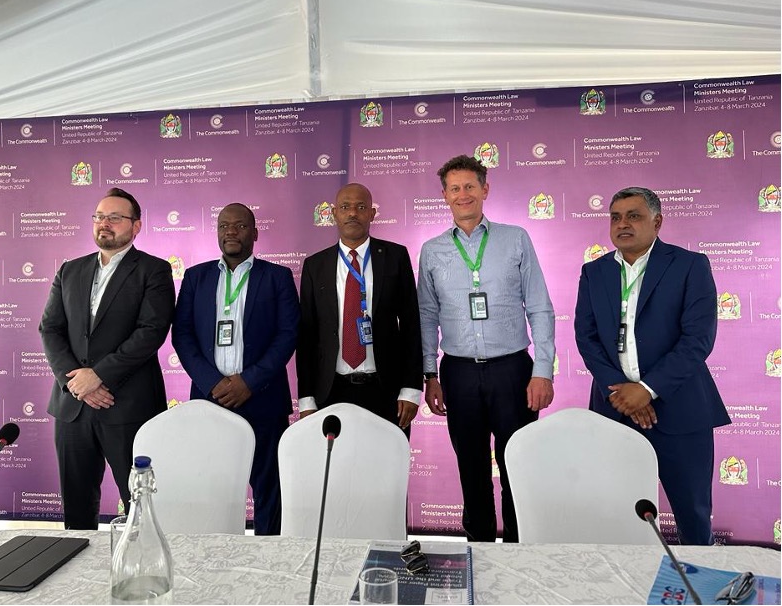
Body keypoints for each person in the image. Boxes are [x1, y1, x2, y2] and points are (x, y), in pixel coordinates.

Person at [574, 186, 730, 545]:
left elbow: (698, 340)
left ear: (657, 222)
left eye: (634, 216)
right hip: (615, 411)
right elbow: (587, 338)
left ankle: (698, 591)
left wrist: (645, 390)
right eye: (615, 217)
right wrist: (620, 390)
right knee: (617, 512)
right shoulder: (593, 272)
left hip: (680, 410)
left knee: (692, 513)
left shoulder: (690, 265)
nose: (622, 224)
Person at [417, 155, 555, 542]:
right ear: (444, 195)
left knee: (517, 464)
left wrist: (542, 370)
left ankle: (518, 548)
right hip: (458, 373)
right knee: (471, 468)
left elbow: (540, 306)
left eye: (470, 187)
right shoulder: (432, 250)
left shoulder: (515, 238)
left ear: (485, 189)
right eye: (455, 188)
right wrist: (430, 374)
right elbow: (427, 316)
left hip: (512, 370)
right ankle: (478, 549)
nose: (463, 195)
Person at [40, 187, 175, 529]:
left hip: (127, 406)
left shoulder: (154, 270)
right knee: (77, 507)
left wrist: (97, 375)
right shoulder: (69, 270)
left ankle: (138, 577)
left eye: (115, 217)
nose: (105, 224)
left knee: (139, 506)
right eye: (99, 217)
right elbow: (50, 329)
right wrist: (78, 382)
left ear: (136, 226)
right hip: (73, 406)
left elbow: (150, 332)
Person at [172, 203, 298, 535]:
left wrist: (249, 382)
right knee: (212, 487)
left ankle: (270, 561)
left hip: (263, 399)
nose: (231, 231)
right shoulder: (196, 277)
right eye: (224, 225)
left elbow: (288, 335)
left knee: (269, 489)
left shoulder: (277, 277)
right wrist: (212, 383)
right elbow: (182, 335)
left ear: (254, 233)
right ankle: (214, 564)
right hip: (210, 401)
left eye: (240, 226)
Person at [297, 183, 422, 430]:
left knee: (385, 465)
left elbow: (411, 325)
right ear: (334, 213)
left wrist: (410, 390)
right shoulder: (315, 265)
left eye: (361, 207)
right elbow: (307, 336)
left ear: (372, 214)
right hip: (330, 391)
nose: (352, 213)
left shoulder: (395, 257)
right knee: (336, 467)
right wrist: (306, 399)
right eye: (345, 207)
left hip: (387, 391)